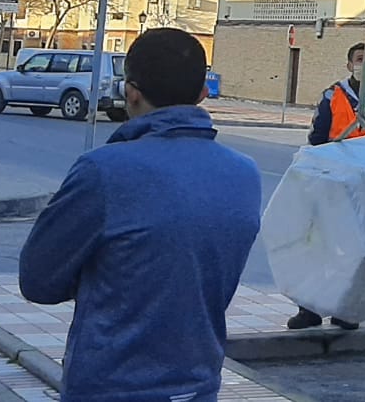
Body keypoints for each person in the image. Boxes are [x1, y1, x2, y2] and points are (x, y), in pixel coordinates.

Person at [18, 28, 262, 402]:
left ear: (130, 92)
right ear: (202, 93)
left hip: (110, 386)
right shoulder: (245, 173)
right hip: (197, 384)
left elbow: (38, 282)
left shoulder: (103, 171)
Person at [286, 41, 365, 330]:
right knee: (319, 246)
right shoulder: (332, 96)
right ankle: (309, 309)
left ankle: (347, 310)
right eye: (360, 59)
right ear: (349, 65)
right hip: (332, 182)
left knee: (358, 251)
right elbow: (317, 139)